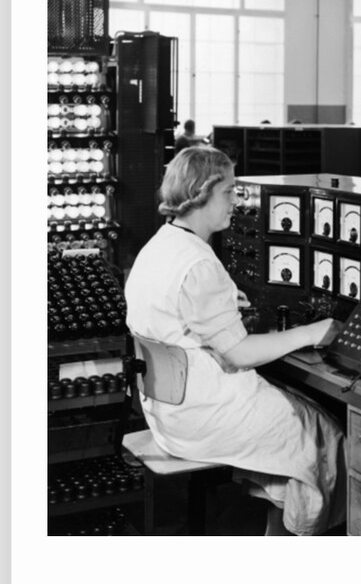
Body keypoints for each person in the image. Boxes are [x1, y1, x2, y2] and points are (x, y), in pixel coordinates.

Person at [125, 146, 347, 536]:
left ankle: (277, 528)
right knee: (321, 430)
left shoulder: (159, 246)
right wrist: (313, 332)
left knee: (294, 414)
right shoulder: (199, 262)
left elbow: (179, 314)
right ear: (200, 192)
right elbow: (239, 354)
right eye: (228, 191)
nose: (236, 201)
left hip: (165, 413)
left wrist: (225, 303)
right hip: (199, 419)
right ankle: (303, 533)